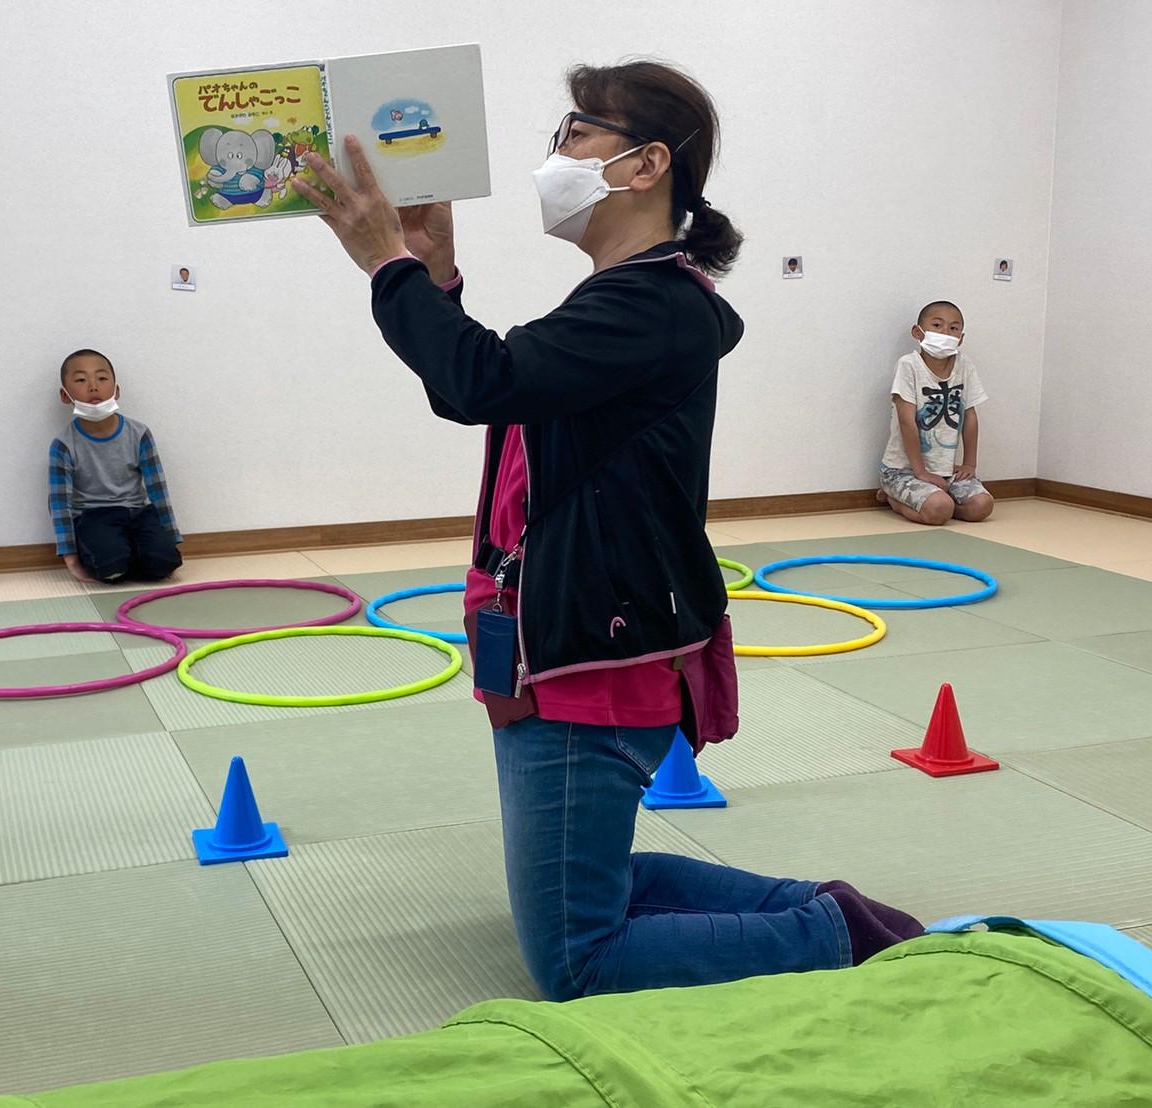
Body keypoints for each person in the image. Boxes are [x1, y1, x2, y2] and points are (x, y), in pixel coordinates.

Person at [293, 61, 924, 1000]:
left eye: (577, 133)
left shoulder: (652, 304)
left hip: (590, 657)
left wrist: (389, 263)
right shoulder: (623, 297)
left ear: (646, 164)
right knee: (585, 887)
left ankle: (831, 933)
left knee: (577, 963)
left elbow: (484, 381)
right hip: (554, 637)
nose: (556, 154)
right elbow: (491, 387)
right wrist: (432, 275)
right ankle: (825, 910)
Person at [50, 349, 183, 584]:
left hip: (138, 514)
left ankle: (134, 555)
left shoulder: (139, 433)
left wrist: (171, 539)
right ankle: (117, 557)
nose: (93, 387)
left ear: (117, 390)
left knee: (163, 564)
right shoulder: (63, 444)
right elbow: (60, 504)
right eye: (81, 380)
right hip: (93, 517)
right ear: (65, 395)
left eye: (102, 378)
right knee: (111, 567)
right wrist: (71, 559)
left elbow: (158, 490)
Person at [879, 301, 994, 526]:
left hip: (946, 471)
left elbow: (970, 416)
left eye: (953, 328)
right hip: (903, 470)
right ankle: (894, 498)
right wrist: (920, 472)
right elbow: (907, 422)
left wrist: (969, 464)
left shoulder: (964, 366)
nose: (945, 332)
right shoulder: (908, 365)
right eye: (937, 325)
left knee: (982, 506)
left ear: (961, 338)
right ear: (918, 332)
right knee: (939, 509)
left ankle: (936, 501)